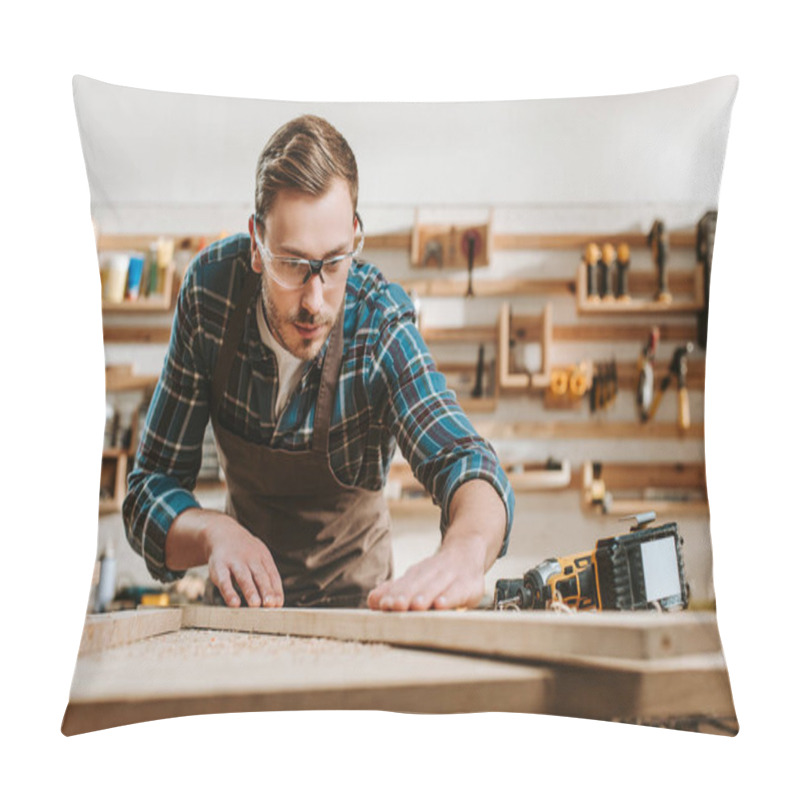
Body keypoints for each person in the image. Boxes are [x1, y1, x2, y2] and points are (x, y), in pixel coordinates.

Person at [123, 114, 514, 612]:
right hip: (242, 611)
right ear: (257, 244)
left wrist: (466, 549)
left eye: (333, 262)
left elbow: (467, 460)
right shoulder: (210, 294)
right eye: (292, 263)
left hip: (358, 611)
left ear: (354, 233)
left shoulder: (379, 321)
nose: (314, 300)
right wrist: (213, 533)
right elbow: (147, 491)